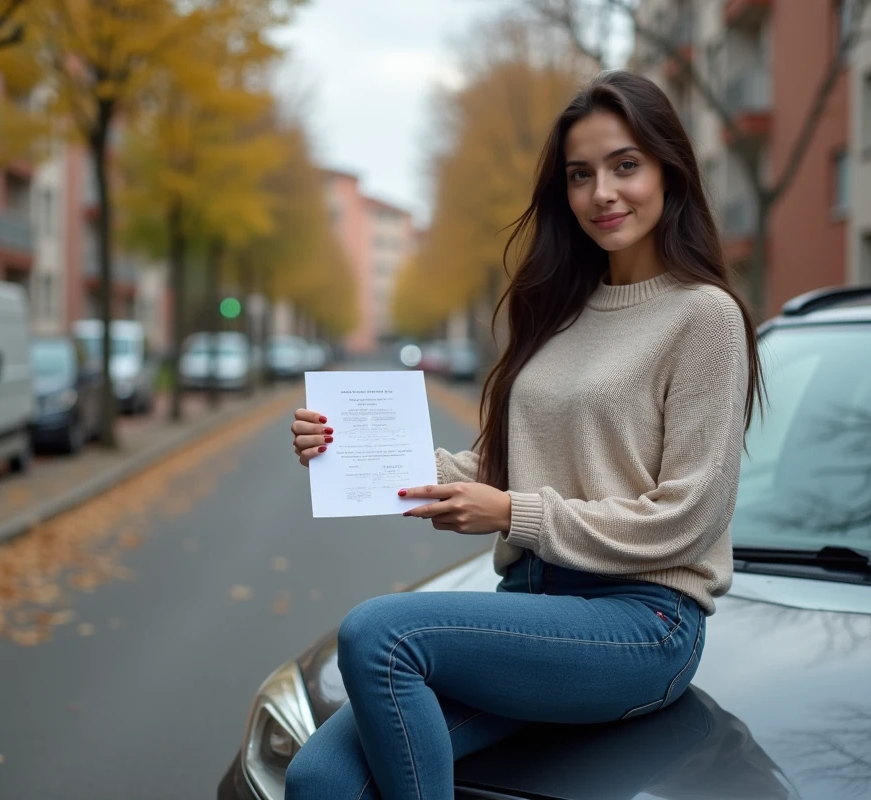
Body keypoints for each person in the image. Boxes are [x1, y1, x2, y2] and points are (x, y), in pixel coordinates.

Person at [284, 70, 765, 800]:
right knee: (318, 778)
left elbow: (689, 517)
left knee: (378, 633)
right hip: (532, 608)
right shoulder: (561, 312)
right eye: (581, 175)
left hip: (642, 623)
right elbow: (500, 464)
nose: (602, 192)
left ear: (670, 170)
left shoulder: (705, 318)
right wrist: (345, 448)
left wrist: (514, 514)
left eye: (625, 165)